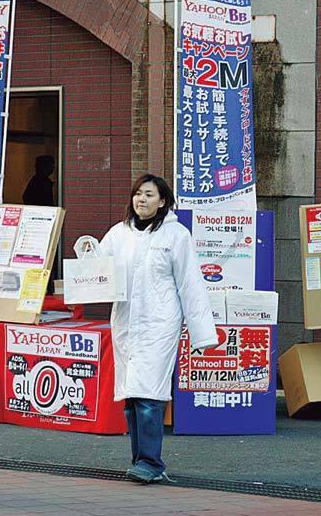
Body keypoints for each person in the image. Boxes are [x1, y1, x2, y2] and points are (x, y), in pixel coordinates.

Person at [99, 174, 218, 483]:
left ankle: (151, 462)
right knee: (131, 395)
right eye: (138, 194)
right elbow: (97, 271)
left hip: (159, 323)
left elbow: (191, 285)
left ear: (162, 201)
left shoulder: (176, 236)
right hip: (126, 322)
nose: (142, 200)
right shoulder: (117, 234)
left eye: (149, 195)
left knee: (150, 393)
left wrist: (203, 333)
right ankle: (139, 460)